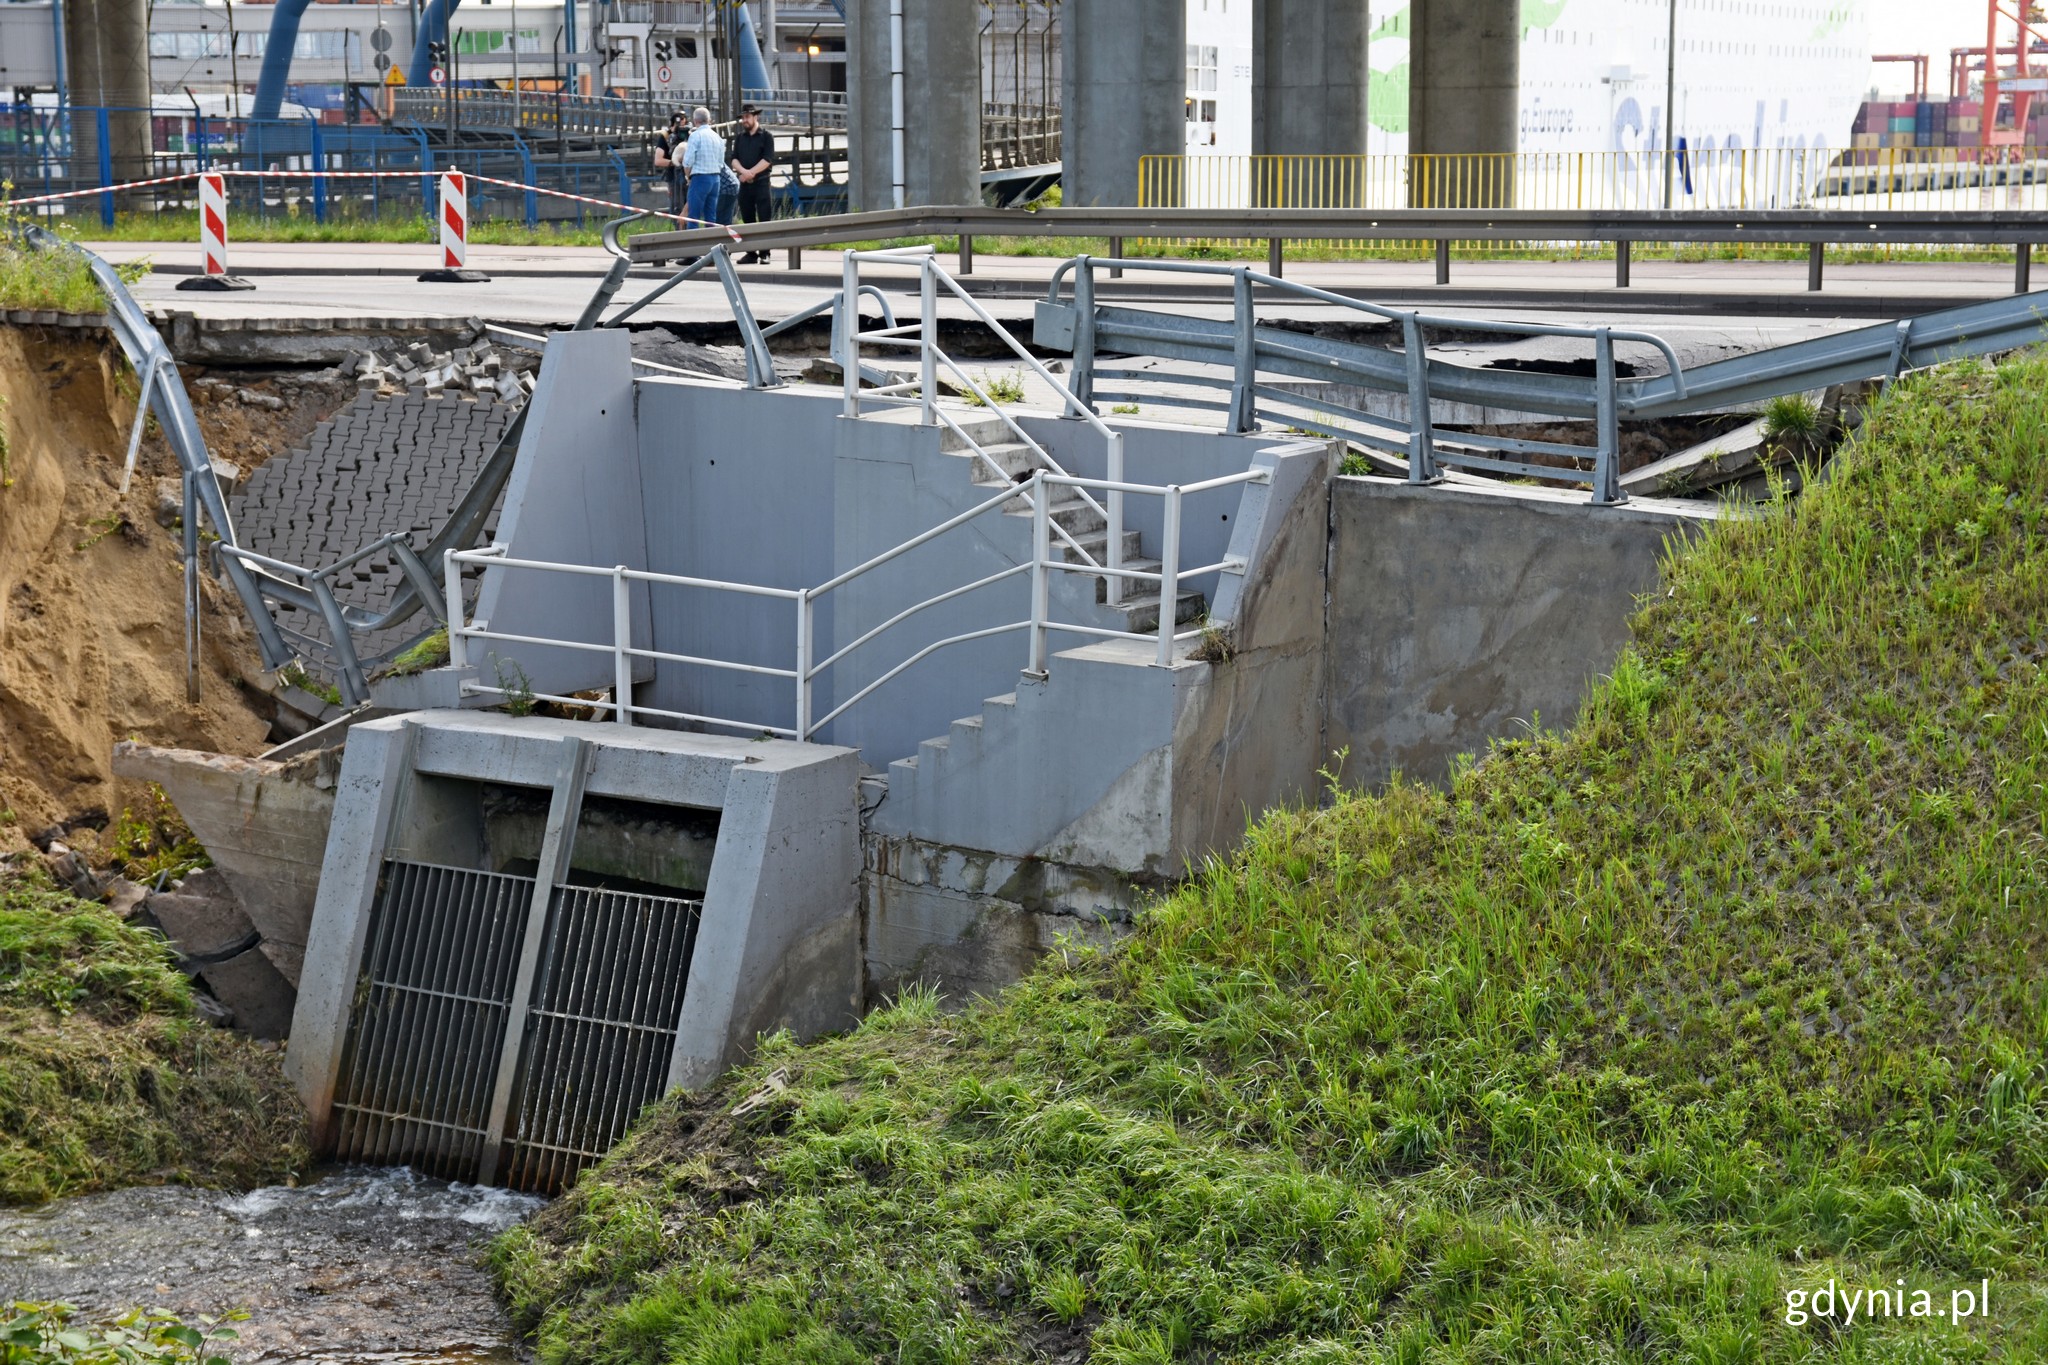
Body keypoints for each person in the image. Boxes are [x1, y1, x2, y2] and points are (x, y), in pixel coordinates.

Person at [728, 103, 776, 264]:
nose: (744, 120)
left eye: (747, 117)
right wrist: (743, 172)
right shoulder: (740, 138)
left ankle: (765, 252)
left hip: (761, 183)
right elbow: (734, 158)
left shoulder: (766, 136)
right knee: (747, 218)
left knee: (764, 218)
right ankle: (751, 252)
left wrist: (750, 173)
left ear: (756, 117)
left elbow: (767, 160)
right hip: (745, 184)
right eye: (743, 118)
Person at [680, 106, 726, 229]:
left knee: (693, 216)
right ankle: (710, 244)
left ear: (695, 121)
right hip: (715, 179)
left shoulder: (695, 136)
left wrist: (688, 176)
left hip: (700, 178)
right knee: (711, 217)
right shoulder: (718, 137)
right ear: (709, 120)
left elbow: (688, 162)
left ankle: (694, 245)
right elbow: (721, 162)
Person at [653, 110, 687, 218]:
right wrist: (675, 162)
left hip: (689, 175)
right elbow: (658, 160)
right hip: (674, 177)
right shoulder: (666, 136)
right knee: (676, 206)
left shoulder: (690, 134)